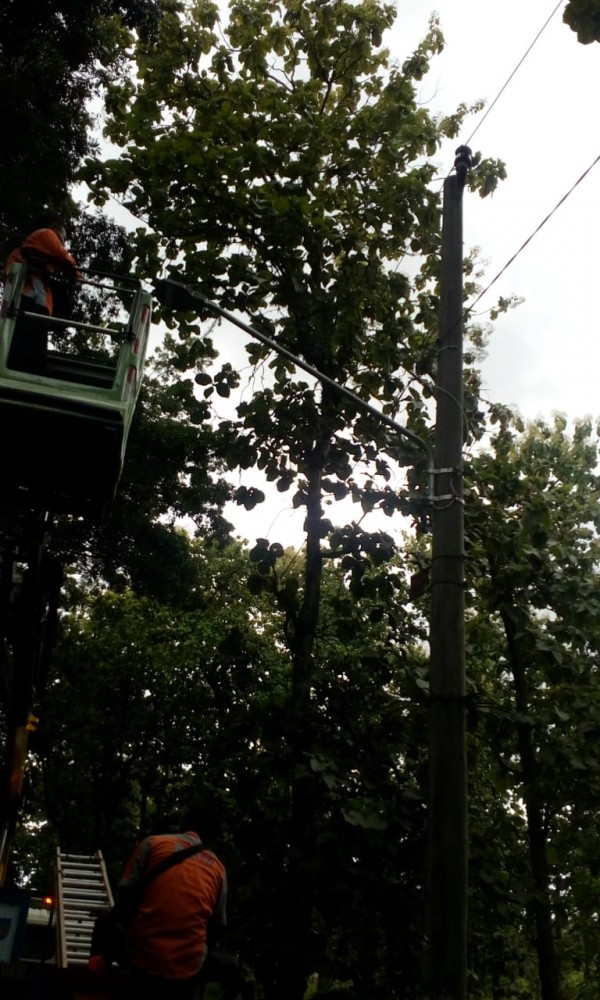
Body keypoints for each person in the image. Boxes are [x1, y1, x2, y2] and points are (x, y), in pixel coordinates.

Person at [106, 802, 244, 1000]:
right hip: (187, 969)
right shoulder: (218, 868)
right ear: (213, 837)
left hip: (141, 958)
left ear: (184, 825)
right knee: (228, 964)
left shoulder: (152, 843)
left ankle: (98, 985)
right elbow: (216, 929)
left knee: (104, 926)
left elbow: (123, 903)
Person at [2, 213, 78, 374]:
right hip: (28, 302)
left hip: (32, 303)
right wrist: (76, 275)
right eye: (62, 237)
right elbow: (61, 254)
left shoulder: (35, 256)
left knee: (32, 354)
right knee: (27, 354)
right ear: (53, 226)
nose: (63, 242)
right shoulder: (44, 234)